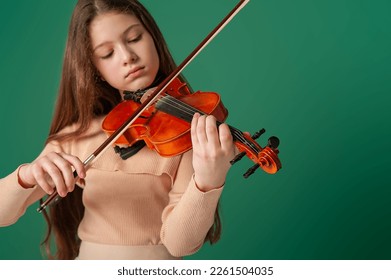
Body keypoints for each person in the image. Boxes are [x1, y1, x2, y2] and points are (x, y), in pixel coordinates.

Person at [0, 0, 236, 260]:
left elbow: (180, 245)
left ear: (153, 37)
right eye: (107, 54)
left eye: (134, 38)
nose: (128, 57)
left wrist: (208, 181)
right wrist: (27, 175)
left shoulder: (186, 135)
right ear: (95, 68)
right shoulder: (76, 138)